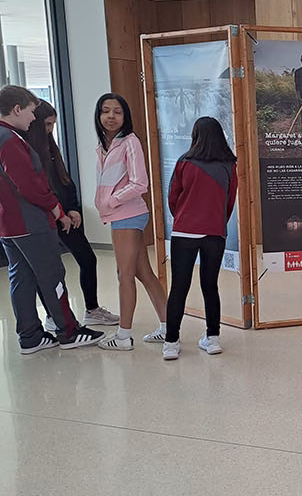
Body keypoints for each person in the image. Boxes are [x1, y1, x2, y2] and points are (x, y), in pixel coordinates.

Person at [0, 86, 99, 354]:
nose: (33, 118)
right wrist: (57, 210)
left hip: (7, 224)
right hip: (29, 223)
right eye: (31, 112)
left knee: (22, 278)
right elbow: (30, 186)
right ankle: (69, 331)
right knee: (53, 276)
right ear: (17, 109)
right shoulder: (10, 140)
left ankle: (30, 336)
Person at [25, 100, 118, 330]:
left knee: (88, 259)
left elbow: (65, 181)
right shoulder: (27, 150)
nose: (50, 130)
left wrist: (74, 208)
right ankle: (51, 315)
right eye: (47, 124)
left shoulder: (50, 147)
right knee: (50, 270)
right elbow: (38, 190)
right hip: (47, 218)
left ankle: (92, 310)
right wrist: (59, 213)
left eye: (53, 125)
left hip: (66, 216)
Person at [91, 93, 171, 350]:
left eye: (117, 112)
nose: (111, 116)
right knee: (142, 273)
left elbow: (140, 183)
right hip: (120, 215)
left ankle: (123, 336)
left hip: (128, 214)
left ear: (125, 117)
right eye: (106, 111)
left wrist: (112, 201)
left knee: (123, 275)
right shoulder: (104, 145)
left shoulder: (129, 142)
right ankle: (169, 327)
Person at [162, 116, 239, 360]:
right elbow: (230, 201)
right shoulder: (229, 164)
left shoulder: (184, 162)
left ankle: (171, 343)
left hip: (184, 231)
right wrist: (216, 222)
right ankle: (213, 338)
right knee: (210, 286)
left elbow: (173, 197)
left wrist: (184, 218)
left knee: (179, 288)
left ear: (195, 136)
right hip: (215, 233)